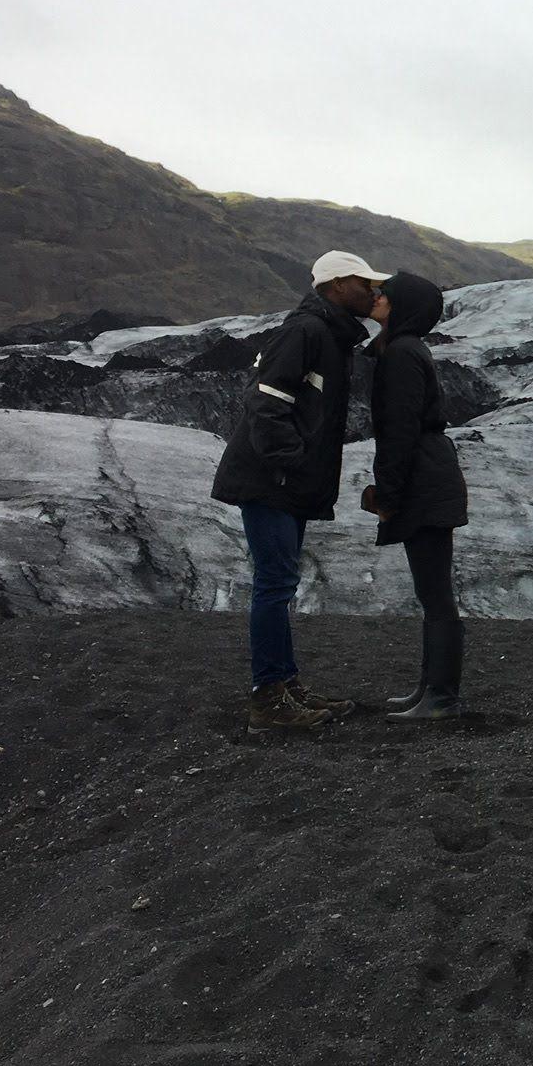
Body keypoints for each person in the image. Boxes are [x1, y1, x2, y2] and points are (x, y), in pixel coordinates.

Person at [212, 249, 389, 733]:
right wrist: (288, 465)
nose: (372, 291)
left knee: (280, 582)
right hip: (270, 481)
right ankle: (268, 699)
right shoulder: (306, 331)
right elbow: (266, 401)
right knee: (274, 584)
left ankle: (285, 686)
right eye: (362, 282)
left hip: (283, 480)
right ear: (334, 286)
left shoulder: (329, 335)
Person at [360, 270, 469, 720]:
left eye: (385, 294)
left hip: (425, 480)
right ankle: (429, 689)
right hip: (429, 475)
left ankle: (440, 696)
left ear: (402, 307)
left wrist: (387, 492)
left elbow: (399, 431)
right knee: (432, 591)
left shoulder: (402, 354)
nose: (376, 296)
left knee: (435, 593)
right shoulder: (402, 348)